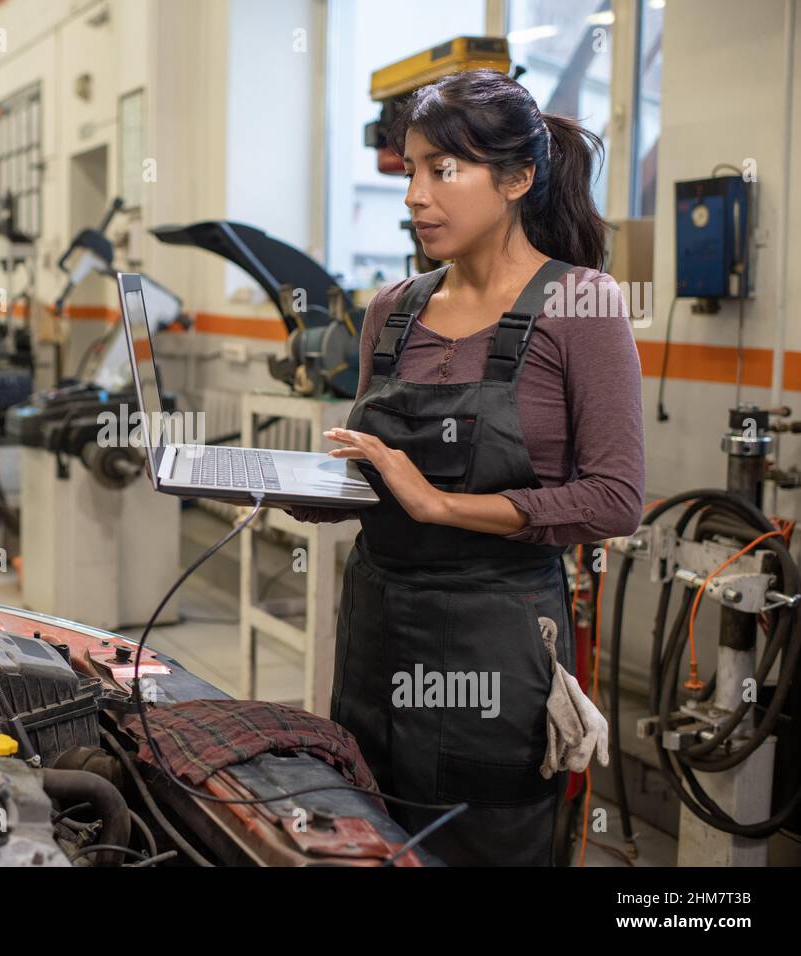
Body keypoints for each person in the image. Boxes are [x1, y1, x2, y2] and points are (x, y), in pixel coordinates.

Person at [288, 70, 644, 865]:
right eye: (410, 169)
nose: (415, 194)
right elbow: (379, 476)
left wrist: (443, 507)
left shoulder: (580, 306)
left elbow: (616, 500)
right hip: (377, 631)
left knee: (483, 841)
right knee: (366, 827)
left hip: (495, 644)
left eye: (442, 170)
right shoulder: (393, 308)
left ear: (517, 179)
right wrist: (310, 488)